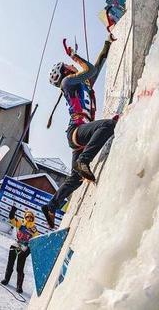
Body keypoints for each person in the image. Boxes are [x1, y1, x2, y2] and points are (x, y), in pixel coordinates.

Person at [41, 34, 117, 229]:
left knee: (76, 178)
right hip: (77, 131)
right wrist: (74, 55)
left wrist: (106, 45)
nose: (73, 67)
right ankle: (84, 160)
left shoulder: (84, 83)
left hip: (80, 134)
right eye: (70, 66)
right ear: (66, 70)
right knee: (107, 125)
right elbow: (89, 69)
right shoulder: (68, 83)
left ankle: (51, 206)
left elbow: (96, 67)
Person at [1, 205, 38, 294]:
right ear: (25, 217)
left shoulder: (34, 229)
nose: (29, 218)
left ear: (33, 219)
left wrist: (28, 250)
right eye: (27, 217)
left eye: (31, 217)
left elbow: (35, 241)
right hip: (18, 243)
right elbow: (12, 219)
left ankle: (19, 286)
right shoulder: (21, 224)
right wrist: (13, 210)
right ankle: (6, 279)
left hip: (26, 246)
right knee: (11, 261)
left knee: (19, 267)